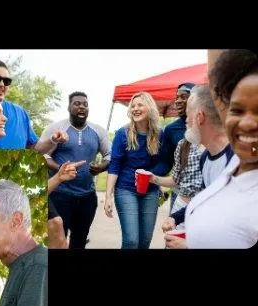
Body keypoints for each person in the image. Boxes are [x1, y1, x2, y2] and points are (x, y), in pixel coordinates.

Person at [167, 49, 258, 249]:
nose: (247, 123)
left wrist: (189, 245)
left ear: (200, 117)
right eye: (237, 110)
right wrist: (176, 217)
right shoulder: (232, 163)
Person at [33, 92, 112, 249]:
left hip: (87, 196)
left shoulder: (98, 131)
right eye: (77, 103)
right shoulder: (56, 128)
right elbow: (41, 155)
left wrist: (101, 166)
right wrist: (59, 169)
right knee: (58, 240)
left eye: (85, 104)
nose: (81, 106)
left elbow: (109, 155)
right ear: (68, 107)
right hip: (59, 195)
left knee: (80, 239)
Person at [156, 85, 234, 232]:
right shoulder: (206, 158)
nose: (185, 122)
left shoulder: (236, 159)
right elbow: (204, 201)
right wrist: (175, 217)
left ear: (199, 117)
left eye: (188, 116)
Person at [105, 92, 170, 249]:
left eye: (140, 105)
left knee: (144, 241)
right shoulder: (123, 134)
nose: (135, 108)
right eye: (133, 106)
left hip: (151, 190)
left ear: (149, 107)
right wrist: (108, 196)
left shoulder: (160, 134)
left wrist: (152, 176)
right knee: (132, 240)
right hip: (126, 189)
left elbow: (164, 162)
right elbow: (114, 166)